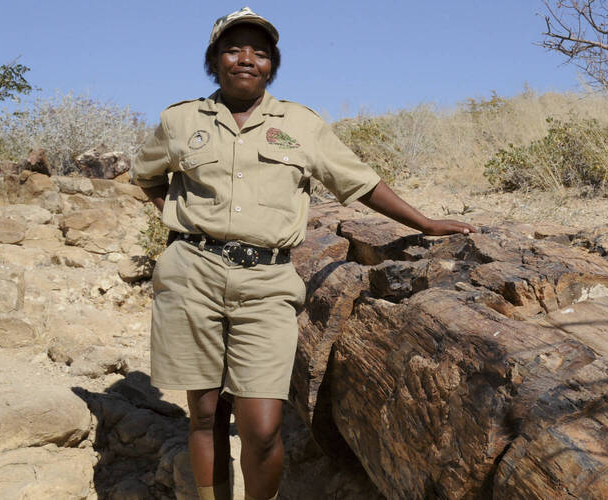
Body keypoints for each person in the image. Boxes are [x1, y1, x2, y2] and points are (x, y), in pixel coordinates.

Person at [130, 7, 476, 500]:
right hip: (192, 278)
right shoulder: (181, 120)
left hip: (268, 284)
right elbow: (146, 175)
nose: (246, 59)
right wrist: (182, 227)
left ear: (271, 63)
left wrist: (424, 222)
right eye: (233, 49)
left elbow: (360, 182)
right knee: (205, 414)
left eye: (260, 51)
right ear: (215, 60)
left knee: (264, 427)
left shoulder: (301, 124)